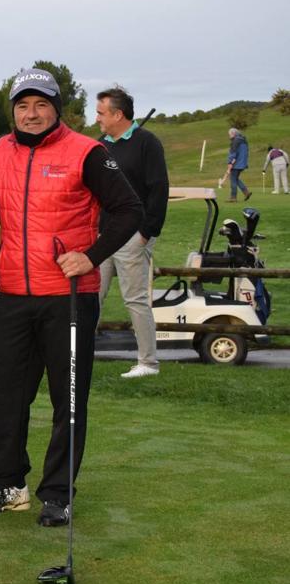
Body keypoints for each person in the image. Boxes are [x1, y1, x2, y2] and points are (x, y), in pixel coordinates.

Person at [0, 68, 142, 527]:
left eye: (41, 104)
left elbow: (128, 210)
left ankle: (58, 493)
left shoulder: (87, 152)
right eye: (22, 105)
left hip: (68, 297)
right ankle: (7, 485)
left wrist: (92, 256)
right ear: (13, 112)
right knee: (6, 398)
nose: (31, 113)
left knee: (68, 401)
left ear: (57, 108)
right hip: (15, 297)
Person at [95, 86, 169, 379]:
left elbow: (158, 189)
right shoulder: (101, 144)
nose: (97, 118)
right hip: (102, 235)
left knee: (135, 300)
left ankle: (148, 363)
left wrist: (146, 232)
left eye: (101, 113)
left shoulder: (147, 143)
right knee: (91, 297)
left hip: (132, 236)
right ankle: (81, 355)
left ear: (118, 114)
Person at [221, 128, 252, 201]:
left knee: (233, 179)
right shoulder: (244, 140)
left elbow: (233, 153)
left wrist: (230, 163)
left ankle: (233, 197)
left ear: (233, 134)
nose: (229, 136)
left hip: (236, 163)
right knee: (236, 179)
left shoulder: (235, 141)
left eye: (230, 134)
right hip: (243, 163)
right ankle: (246, 192)